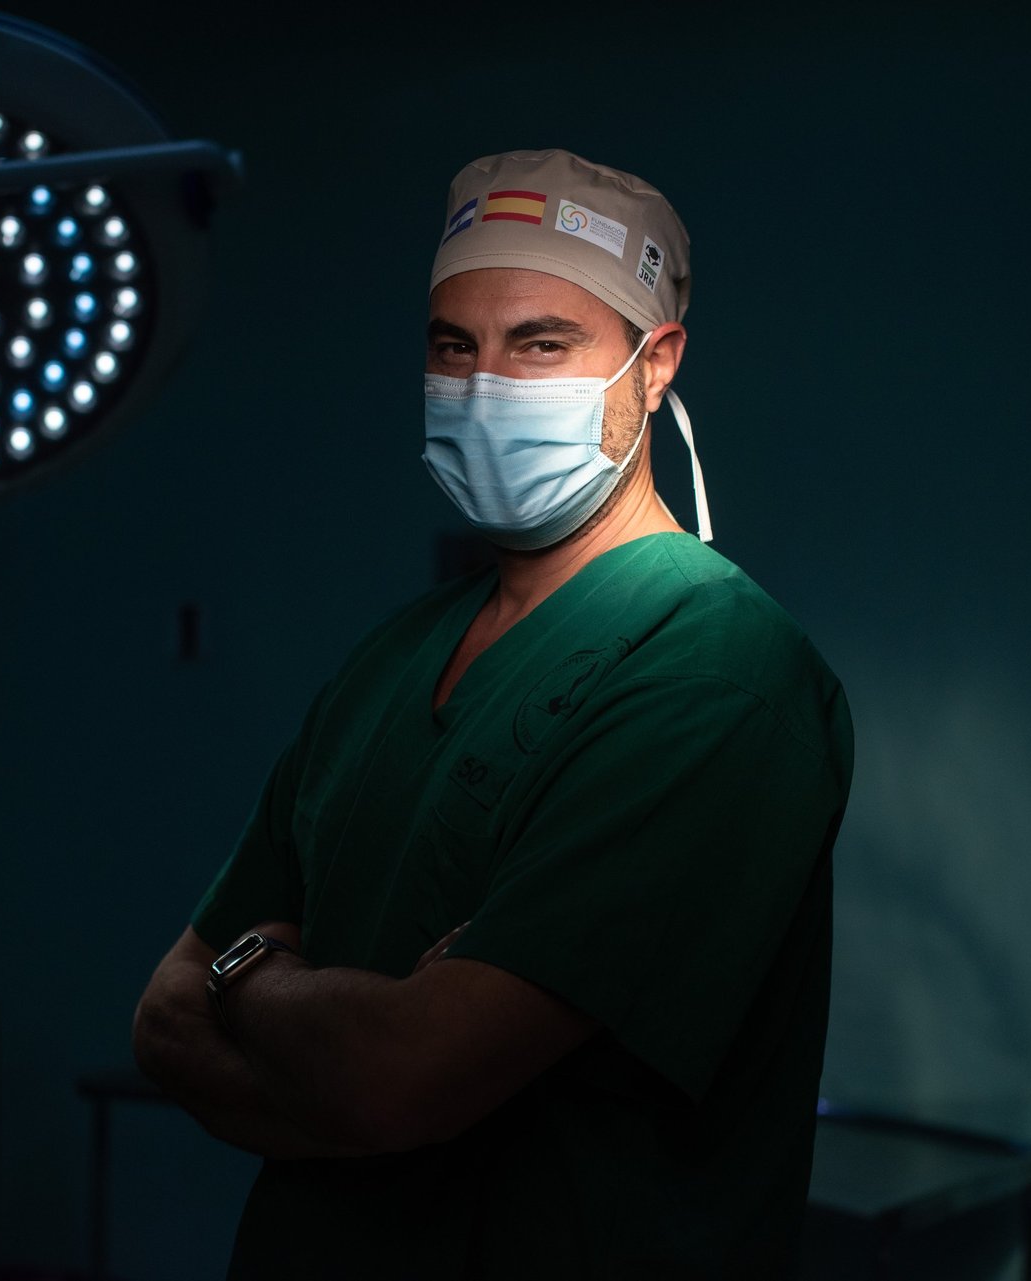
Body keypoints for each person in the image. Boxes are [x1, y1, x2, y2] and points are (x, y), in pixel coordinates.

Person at [132, 149, 854, 1279]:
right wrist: (360, 1078)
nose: (484, 387)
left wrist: (255, 979)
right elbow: (164, 1022)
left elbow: (403, 1076)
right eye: (452, 347)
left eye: (541, 344)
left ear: (653, 363)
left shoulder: (717, 673)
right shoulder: (391, 657)